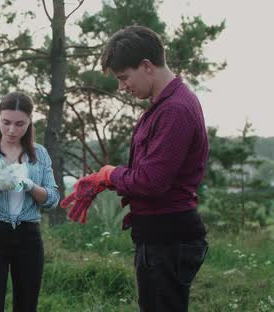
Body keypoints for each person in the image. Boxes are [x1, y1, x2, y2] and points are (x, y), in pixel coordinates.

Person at [86, 26, 209, 311]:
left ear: (146, 66)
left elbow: (151, 182)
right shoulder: (164, 105)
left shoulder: (175, 110)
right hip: (160, 236)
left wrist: (110, 174)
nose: (122, 87)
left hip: (168, 241)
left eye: (124, 78)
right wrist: (111, 178)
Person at [0, 91, 60, 312]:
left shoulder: (40, 154)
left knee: (27, 307)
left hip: (28, 237)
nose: (11, 130)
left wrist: (30, 186)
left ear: (29, 122)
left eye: (20, 124)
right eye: (6, 122)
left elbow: (53, 199)